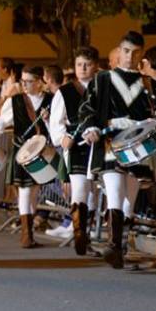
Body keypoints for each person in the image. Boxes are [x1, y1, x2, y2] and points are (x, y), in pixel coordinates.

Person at [79, 31, 156, 269]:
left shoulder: (149, 84)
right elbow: (87, 108)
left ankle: (120, 247)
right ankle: (114, 246)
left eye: (135, 53)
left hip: (140, 147)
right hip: (111, 143)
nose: (129, 57)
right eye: (125, 51)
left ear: (141, 55)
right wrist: (91, 127)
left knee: (129, 199)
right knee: (114, 190)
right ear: (119, 51)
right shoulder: (102, 80)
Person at [0, 66, 53, 249]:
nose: (24, 85)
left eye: (29, 81)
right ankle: (26, 234)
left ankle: (29, 230)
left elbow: (57, 127)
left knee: (34, 192)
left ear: (40, 81)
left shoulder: (51, 100)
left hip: (43, 152)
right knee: (25, 190)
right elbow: (2, 122)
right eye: (22, 81)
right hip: (23, 152)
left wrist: (47, 119)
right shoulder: (15, 101)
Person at [48, 47, 100, 253]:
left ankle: (89, 233)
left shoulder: (102, 88)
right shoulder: (65, 91)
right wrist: (62, 138)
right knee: (79, 189)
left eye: (87, 64)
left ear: (95, 66)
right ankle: (80, 236)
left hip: (99, 146)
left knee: (95, 194)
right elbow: (56, 121)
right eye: (79, 64)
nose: (83, 68)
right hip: (76, 147)